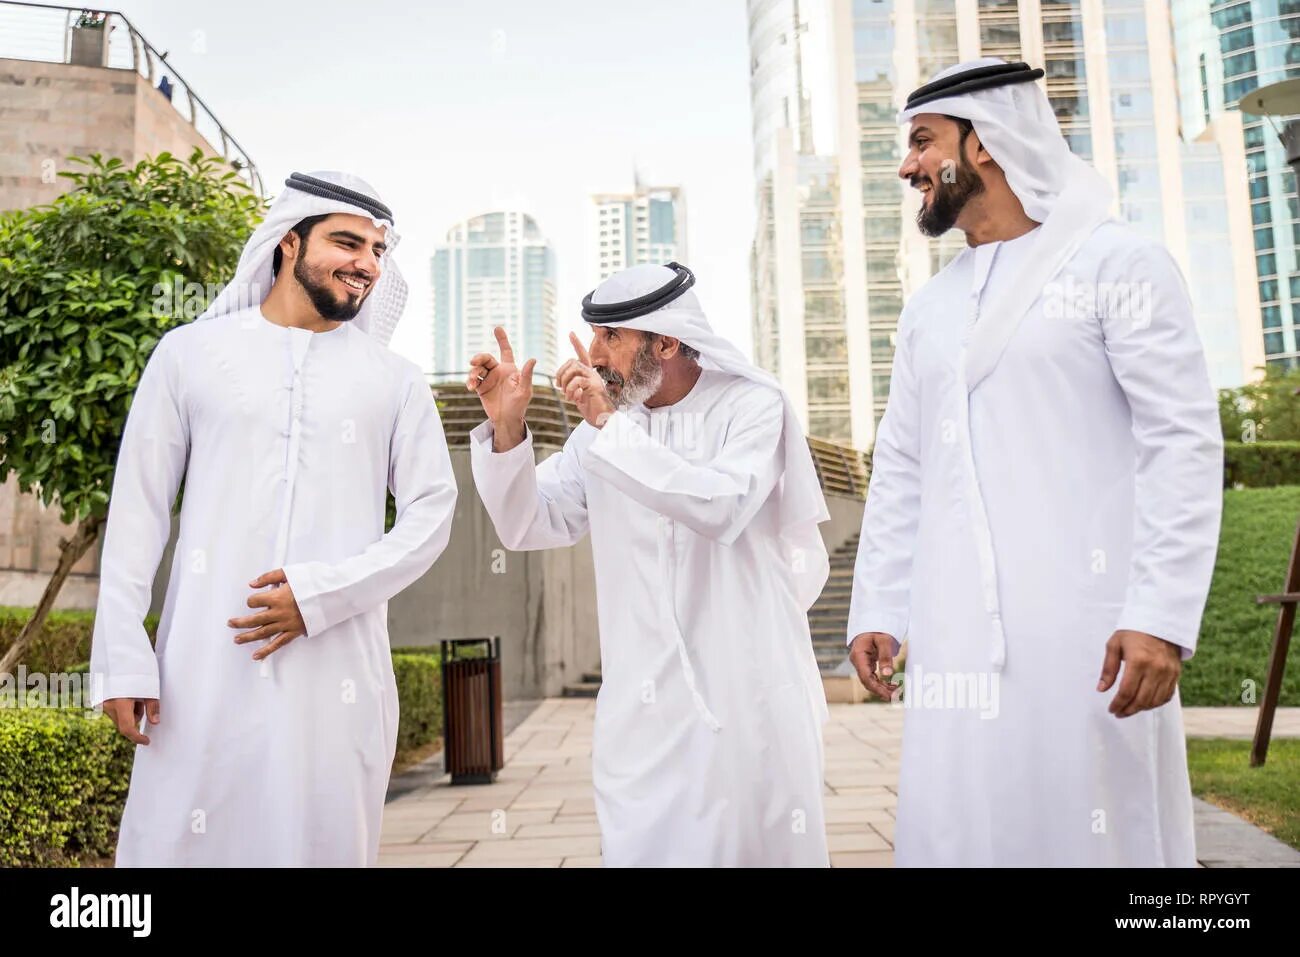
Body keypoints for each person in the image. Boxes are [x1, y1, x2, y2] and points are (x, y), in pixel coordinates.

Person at [847, 59, 1224, 866]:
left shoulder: (1118, 264)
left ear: (984, 144)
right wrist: (879, 603)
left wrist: (1160, 611)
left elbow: (1182, 439)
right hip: (951, 638)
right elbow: (903, 466)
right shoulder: (929, 309)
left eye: (922, 142)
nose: (907, 165)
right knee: (957, 827)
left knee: (1092, 828)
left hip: (1086, 631)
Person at [89, 171, 458, 866]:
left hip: (337, 669)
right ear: (288, 243)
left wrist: (321, 595)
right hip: (201, 668)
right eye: (347, 242)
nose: (367, 264)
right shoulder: (190, 354)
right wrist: (121, 658)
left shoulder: (394, 379)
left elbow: (432, 512)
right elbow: (138, 510)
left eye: (378, 250)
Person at [468, 263, 831, 866]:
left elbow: (722, 505)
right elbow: (528, 523)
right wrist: (507, 427)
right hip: (642, 708)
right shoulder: (600, 434)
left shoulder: (752, 405)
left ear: (665, 340)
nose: (597, 354)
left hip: (748, 693)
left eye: (612, 336)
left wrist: (609, 425)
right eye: (595, 335)